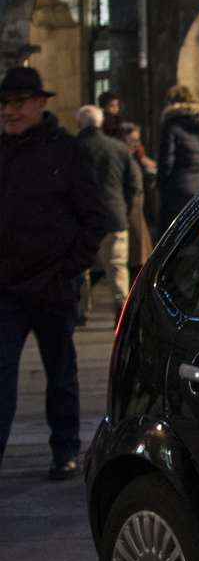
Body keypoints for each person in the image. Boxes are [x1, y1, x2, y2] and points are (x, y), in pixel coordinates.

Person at [0, 67, 105, 479]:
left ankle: (65, 449)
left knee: (60, 371)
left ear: (40, 104)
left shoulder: (67, 151)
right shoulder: (3, 151)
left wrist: (67, 269)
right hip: (6, 287)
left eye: (18, 103)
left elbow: (93, 218)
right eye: (5, 104)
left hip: (52, 283)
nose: (10, 111)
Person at [73, 105, 140, 320]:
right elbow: (133, 183)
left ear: (80, 124)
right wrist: (124, 206)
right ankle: (120, 306)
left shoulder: (73, 148)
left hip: (80, 217)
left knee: (81, 267)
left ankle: (80, 309)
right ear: (101, 123)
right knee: (117, 266)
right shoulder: (118, 149)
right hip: (114, 214)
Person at [156, 84, 199, 236]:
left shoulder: (171, 126)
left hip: (177, 190)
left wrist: (160, 184)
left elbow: (167, 161)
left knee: (175, 236)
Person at [120, 124, 157, 271]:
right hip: (131, 208)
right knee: (136, 252)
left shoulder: (137, 158)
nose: (135, 144)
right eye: (131, 140)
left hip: (140, 209)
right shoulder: (124, 157)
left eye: (137, 141)